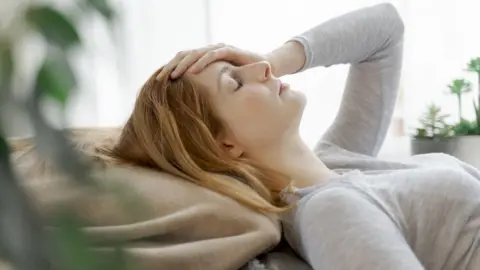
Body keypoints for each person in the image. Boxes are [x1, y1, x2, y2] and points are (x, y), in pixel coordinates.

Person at [109, 3, 480, 270]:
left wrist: (275, 56)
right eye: (235, 82)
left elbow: (386, 29)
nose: (261, 70)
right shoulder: (330, 211)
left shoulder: (340, 159)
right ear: (224, 145)